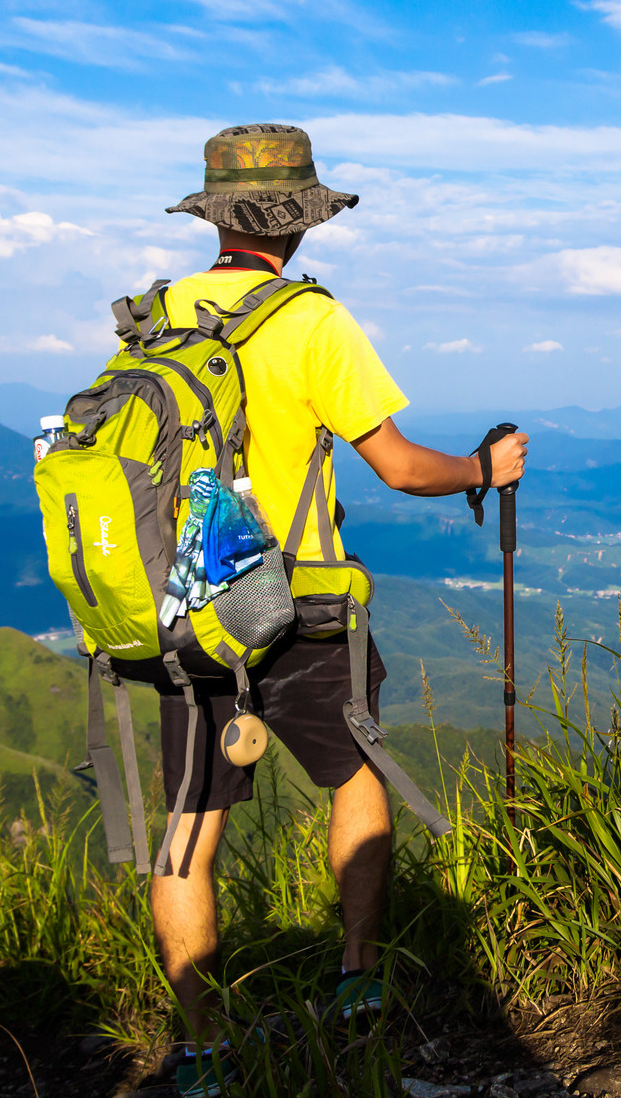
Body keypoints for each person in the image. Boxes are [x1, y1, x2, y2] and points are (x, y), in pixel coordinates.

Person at [151, 123, 527, 1096]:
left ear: (219, 217)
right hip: (299, 608)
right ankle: (356, 975)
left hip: (185, 611)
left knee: (190, 827)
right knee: (358, 776)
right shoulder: (310, 319)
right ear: (301, 221)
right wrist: (485, 469)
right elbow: (399, 466)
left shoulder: (156, 314)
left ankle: (199, 1048)